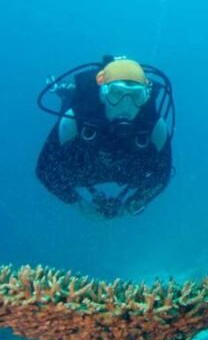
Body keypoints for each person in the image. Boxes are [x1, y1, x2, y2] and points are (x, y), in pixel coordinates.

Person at [36, 55, 174, 218]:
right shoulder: (76, 117)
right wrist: (82, 207)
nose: (126, 105)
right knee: (70, 105)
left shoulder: (154, 125)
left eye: (136, 96)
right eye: (116, 94)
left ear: (145, 97)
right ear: (102, 94)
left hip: (123, 169)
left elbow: (163, 174)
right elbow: (44, 170)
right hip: (85, 167)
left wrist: (135, 202)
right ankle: (67, 92)